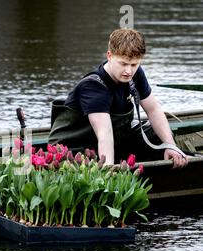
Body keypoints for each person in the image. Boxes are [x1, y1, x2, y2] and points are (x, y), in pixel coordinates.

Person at [49, 28, 188, 168]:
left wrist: (170, 146)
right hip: (75, 147)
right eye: (123, 64)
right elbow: (104, 132)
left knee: (157, 134)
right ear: (109, 56)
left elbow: (154, 110)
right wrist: (109, 169)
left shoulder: (136, 74)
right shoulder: (93, 86)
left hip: (115, 138)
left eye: (134, 64)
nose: (129, 71)